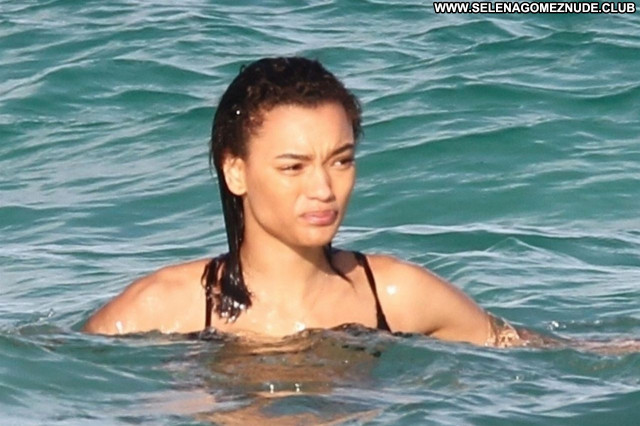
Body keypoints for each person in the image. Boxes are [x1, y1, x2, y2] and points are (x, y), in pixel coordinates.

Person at [83, 56, 525, 347]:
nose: (324, 188)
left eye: (341, 161)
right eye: (294, 167)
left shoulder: (397, 296)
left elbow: (528, 357)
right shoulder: (164, 308)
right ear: (235, 171)